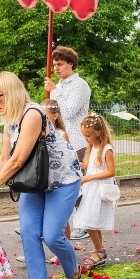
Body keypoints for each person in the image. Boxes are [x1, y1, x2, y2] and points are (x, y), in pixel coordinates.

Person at [0, 72, 82, 279]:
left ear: (10, 94)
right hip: (34, 183)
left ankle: (73, 271)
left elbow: (18, 159)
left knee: (53, 236)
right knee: (30, 233)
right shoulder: (9, 120)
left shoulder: (32, 114)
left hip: (62, 180)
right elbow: (4, 158)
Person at [13, 98, 68, 262]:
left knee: (56, 225)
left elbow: (63, 156)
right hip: (39, 180)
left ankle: (60, 250)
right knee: (32, 226)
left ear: (55, 116)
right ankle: (35, 253)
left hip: (57, 180)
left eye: (46, 115)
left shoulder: (60, 134)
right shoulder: (25, 126)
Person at [46, 46, 91, 240]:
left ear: (70, 64)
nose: (56, 68)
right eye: (54, 64)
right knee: (65, 184)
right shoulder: (60, 85)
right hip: (62, 143)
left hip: (78, 142)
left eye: (60, 64)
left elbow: (69, 111)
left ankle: (84, 225)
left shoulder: (80, 85)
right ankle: (62, 223)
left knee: (79, 185)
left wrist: (54, 92)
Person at [73, 113, 116, 270]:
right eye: (84, 135)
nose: (86, 139)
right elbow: (90, 165)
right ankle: (99, 249)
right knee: (91, 221)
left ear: (98, 132)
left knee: (90, 221)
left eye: (88, 135)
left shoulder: (107, 149)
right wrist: (82, 166)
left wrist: (91, 177)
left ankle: (99, 250)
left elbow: (111, 172)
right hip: (90, 189)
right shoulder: (91, 148)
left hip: (99, 190)